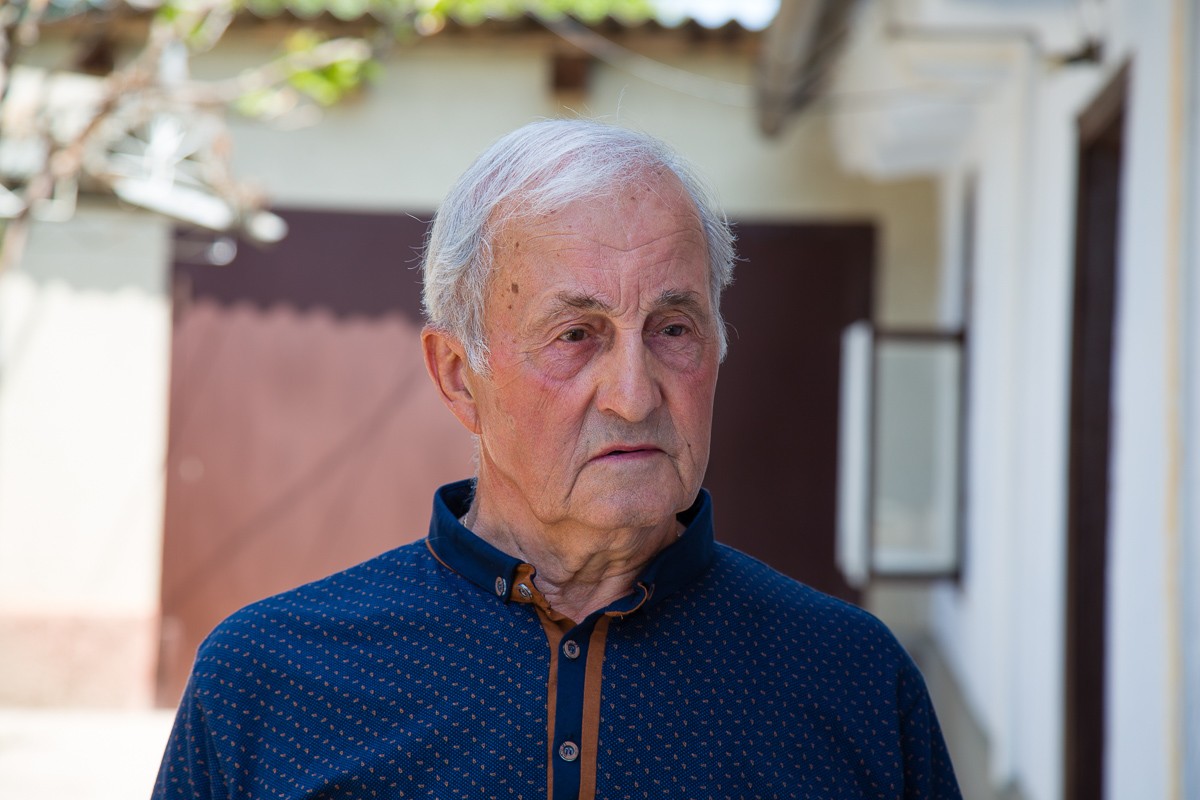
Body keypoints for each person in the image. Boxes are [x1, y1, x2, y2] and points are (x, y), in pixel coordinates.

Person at [153, 119, 961, 799]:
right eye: (576, 335)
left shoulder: (854, 681)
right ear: (458, 376)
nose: (633, 396)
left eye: (673, 328)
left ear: (717, 347)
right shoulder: (267, 682)